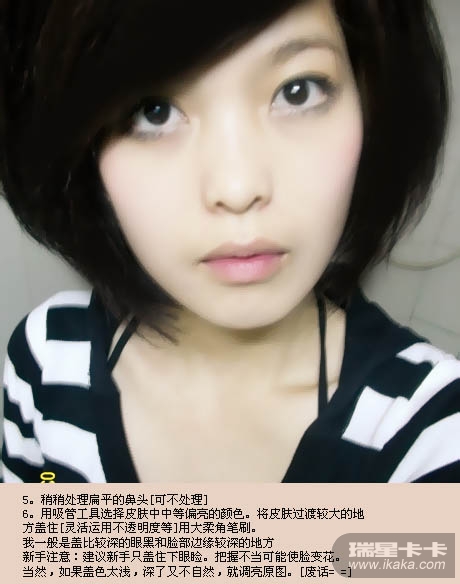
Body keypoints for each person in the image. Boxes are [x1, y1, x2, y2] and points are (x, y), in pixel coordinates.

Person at [0, 0, 458, 483]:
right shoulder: (47, 360)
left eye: (297, 91)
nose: (237, 189)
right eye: (153, 112)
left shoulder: (430, 431)